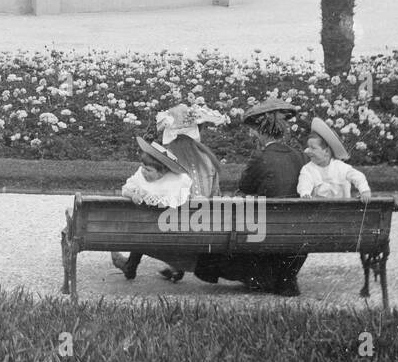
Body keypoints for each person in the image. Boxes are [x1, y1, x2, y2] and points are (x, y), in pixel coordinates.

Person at [194, 95, 307, 296]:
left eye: (255, 131)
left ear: (262, 134)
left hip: (265, 231)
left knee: (230, 220)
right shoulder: (300, 156)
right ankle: (282, 276)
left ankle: (260, 276)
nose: (253, 134)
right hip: (295, 232)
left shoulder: (261, 157)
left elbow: (244, 186)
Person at [110, 135, 199, 282]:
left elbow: (179, 202)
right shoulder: (141, 176)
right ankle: (176, 267)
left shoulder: (175, 184)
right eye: (143, 167)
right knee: (144, 226)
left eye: (149, 170)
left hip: (160, 230)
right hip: (157, 230)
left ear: (163, 172)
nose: (144, 172)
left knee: (142, 228)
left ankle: (130, 266)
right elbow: (126, 189)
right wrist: (132, 195)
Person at [299, 118, 372, 199]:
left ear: (326, 151)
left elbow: (358, 177)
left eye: (313, 148)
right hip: (318, 209)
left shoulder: (340, 167)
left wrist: (364, 191)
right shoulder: (307, 169)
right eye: (308, 147)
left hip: (343, 209)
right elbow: (304, 183)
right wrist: (305, 194)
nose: (308, 151)